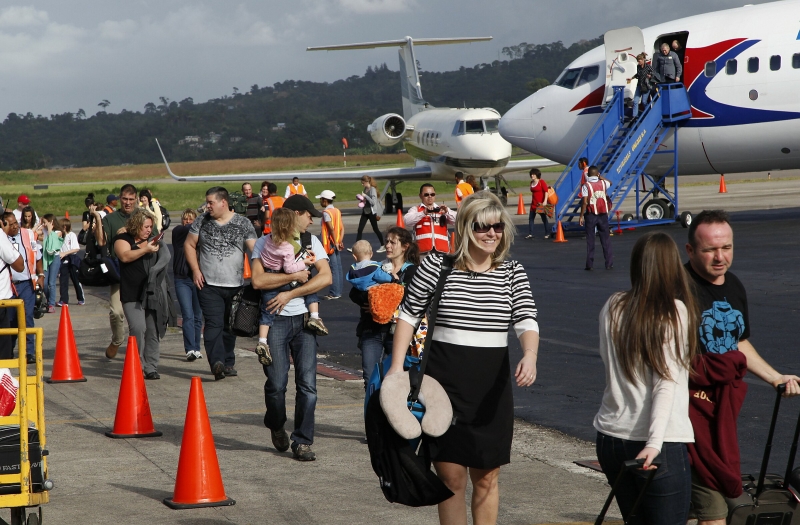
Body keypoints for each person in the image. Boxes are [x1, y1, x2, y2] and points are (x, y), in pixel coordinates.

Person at [388, 192, 540, 524]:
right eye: (483, 227)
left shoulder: (512, 271)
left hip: (491, 392)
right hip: (444, 388)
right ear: (467, 228)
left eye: (497, 226)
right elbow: (408, 316)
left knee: (486, 479)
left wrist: (530, 355)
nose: (491, 234)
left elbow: (527, 319)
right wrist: (396, 371)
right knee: (452, 480)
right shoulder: (436, 265)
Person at [683, 210, 800, 525]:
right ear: (690, 250)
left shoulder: (733, 286)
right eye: (710, 250)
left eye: (727, 248)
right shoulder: (678, 289)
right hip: (687, 417)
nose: (720, 257)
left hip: (721, 413)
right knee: (714, 513)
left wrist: (775, 377)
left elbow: (738, 343)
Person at [595, 232, 698, 524]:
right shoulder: (673, 312)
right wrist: (655, 442)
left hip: (611, 436)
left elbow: (608, 361)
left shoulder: (613, 305)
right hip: (657, 443)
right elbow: (666, 383)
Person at [250, 194, 332, 462]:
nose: (312, 220)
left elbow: (326, 276)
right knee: (276, 384)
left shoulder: (311, 242)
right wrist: (292, 278)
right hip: (275, 321)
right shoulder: (264, 242)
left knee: (308, 385)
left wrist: (291, 294)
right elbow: (258, 282)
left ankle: (302, 441)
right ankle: (276, 423)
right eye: (309, 215)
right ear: (296, 214)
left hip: (304, 323)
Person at [184, 187, 257, 380]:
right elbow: (189, 245)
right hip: (208, 285)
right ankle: (216, 363)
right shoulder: (202, 221)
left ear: (223, 202)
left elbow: (255, 250)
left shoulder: (243, 223)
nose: (207, 206)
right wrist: (196, 270)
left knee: (230, 326)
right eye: (207, 202)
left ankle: (228, 362)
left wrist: (260, 274)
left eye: (210, 203)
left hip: (235, 285)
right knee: (214, 324)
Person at [349, 227, 419, 385]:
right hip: (371, 329)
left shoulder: (412, 271)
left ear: (405, 246)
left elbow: (412, 298)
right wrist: (369, 301)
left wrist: (384, 302)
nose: (387, 245)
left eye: (392, 242)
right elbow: (354, 292)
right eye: (386, 241)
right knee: (369, 376)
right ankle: (372, 409)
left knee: (394, 378)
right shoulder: (376, 266)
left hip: (397, 332)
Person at [254, 207, 323, 367]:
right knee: (310, 285)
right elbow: (290, 268)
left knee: (267, 313)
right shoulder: (287, 247)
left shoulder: (267, 241)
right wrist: (304, 264)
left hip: (270, 283)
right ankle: (314, 316)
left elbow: (261, 271)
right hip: (286, 282)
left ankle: (262, 341)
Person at [114, 208, 171, 380]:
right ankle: (135, 365)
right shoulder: (122, 239)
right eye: (145, 226)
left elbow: (165, 257)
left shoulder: (154, 241)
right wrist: (145, 250)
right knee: (138, 328)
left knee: (153, 331)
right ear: (136, 225)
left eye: (150, 227)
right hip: (132, 293)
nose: (148, 230)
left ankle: (151, 367)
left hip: (152, 293)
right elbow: (125, 256)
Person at [94, 183, 139, 359]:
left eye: (131, 199)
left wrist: (129, 230)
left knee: (141, 313)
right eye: (124, 199)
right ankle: (117, 340)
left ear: (136, 200)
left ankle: (138, 347)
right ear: (119, 199)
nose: (127, 202)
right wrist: (97, 219)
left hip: (140, 270)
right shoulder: (111, 219)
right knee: (116, 311)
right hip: (119, 271)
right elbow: (101, 242)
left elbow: (154, 236)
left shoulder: (143, 216)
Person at [1, 211, 43, 364]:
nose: (15, 226)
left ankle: (29, 352)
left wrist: (41, 275)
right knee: (10, 320)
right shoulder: (2, 238)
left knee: (27, 318)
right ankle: (9, 351)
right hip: (10, 286)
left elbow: (37, 255)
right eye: (11, 224)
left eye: (15, 223)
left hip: (26, 283)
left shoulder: (28, 235)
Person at [172, 209, 204, 362]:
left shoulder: (199, 237)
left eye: (191, 219)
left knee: (198, 316)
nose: (188, 222)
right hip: (182, 280)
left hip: (197, 279)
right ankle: (189, 348)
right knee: (187, 315)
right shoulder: (178, 232)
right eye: (185, 219)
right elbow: (187, 229)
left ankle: (197, 348)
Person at [404, 183, 456, 256]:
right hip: (422, 253)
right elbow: (407, 221)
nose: (430, 197)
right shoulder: (416, 209)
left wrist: (447, 212)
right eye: (426, 195)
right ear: (420, 196)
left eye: (432, 194)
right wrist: (423, 213)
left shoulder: (441, 209)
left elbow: (457, 220)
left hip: (442, 252)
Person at [579, 166, 613, 270]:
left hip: (591, 214)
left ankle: (590, 264)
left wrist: (581, 216)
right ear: (597, 173)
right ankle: (609, 263)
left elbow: (584, 202)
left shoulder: (586, 185)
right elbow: (610, 183)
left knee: (590, 240)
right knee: (605, 239)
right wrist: (601, 177)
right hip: (603, 214)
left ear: (588, 175)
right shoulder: (603, 183)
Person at [0, 224, 23, 360]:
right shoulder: (1, 236)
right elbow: (19, 264)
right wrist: (5, 236)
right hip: (1, 301)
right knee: (3, 352)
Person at [317, 190, 344, 300]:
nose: (320, 201)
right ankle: (338, 291)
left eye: (321, 199)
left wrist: (335, 242)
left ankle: (334, 292)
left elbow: (330, 229)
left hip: (330, 244)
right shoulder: (336, 211)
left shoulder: (326, 213)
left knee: (333, 268)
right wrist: (339, 240)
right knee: (338, 267)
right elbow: (342, 228)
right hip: (336, 242)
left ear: (325, 200)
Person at [57, 218, 85, 306]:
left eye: (60, 227)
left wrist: (65, 253)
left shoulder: (71, 235)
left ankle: (81, 298)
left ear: (64, 227)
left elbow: (76, 248)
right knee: (63, 280)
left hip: (72, 258)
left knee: (76, 279)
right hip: (63, 259)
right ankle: (64, 300)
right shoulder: (59, 236)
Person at [40, 214, 63, 313]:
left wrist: (49, 229)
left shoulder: (58, 232)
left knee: (51, 282)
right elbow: (34, 234)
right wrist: (39, 225)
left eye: (45, 222)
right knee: (44, 283)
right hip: (45, 258)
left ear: (51, 222)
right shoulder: (43, 231)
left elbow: (52, 239)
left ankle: (51, 304)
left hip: (55, 258)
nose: (44, 224)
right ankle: (49, 299)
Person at [356, 175, 385, 252]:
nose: (362, 185)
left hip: (371, 212)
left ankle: (383, 245)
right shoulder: (365, 189)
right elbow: (367, 201)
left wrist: (366, 196)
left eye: (363, 183)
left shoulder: (372, 189)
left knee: (375, 229)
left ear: (367, 182)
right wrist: (362, 200)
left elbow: (373, 202)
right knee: (359, 229)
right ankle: (356, 247)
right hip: (365, 211)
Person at [629, 53, 655, 120]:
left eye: (639, 61)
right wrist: (631, 78)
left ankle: (649, 113)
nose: (638, 62)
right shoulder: (638, 67)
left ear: (643, 60)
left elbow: (653, 73)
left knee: (644, 101)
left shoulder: (648, 66)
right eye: (638, 61)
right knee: (635, 101)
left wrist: (650, 76)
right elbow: (637, 74)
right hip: (639, 86)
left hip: (646, 86)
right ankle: (635, 116)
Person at [526, 168, 550, 239]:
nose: (532, 176)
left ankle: (547, 233)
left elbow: (546, 191)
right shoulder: (531, 183)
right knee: (531, 219)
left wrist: (545, 201)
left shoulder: (541, 182)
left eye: (533, 174)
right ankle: (531, 233)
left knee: (544, 218)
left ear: (537, 175)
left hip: (540, 204)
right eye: (531, 174)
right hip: (533, 204)